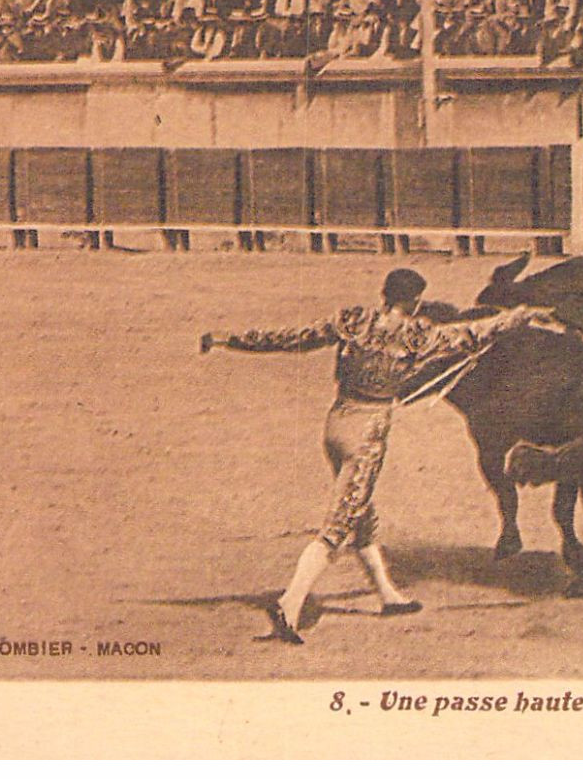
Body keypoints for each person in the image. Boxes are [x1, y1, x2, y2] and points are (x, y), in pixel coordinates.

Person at [200, 268, 563, 645]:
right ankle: (290, 604)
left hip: (336, 423)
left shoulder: (351, 320)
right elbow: (477, 332)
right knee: (339, 525)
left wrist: (229, 339)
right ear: (415, 301)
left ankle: (389, 595)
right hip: (367, 434)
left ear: (384, 294)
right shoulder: (419, 335)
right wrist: (524, 314)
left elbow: (291, 338)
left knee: (361, 514)